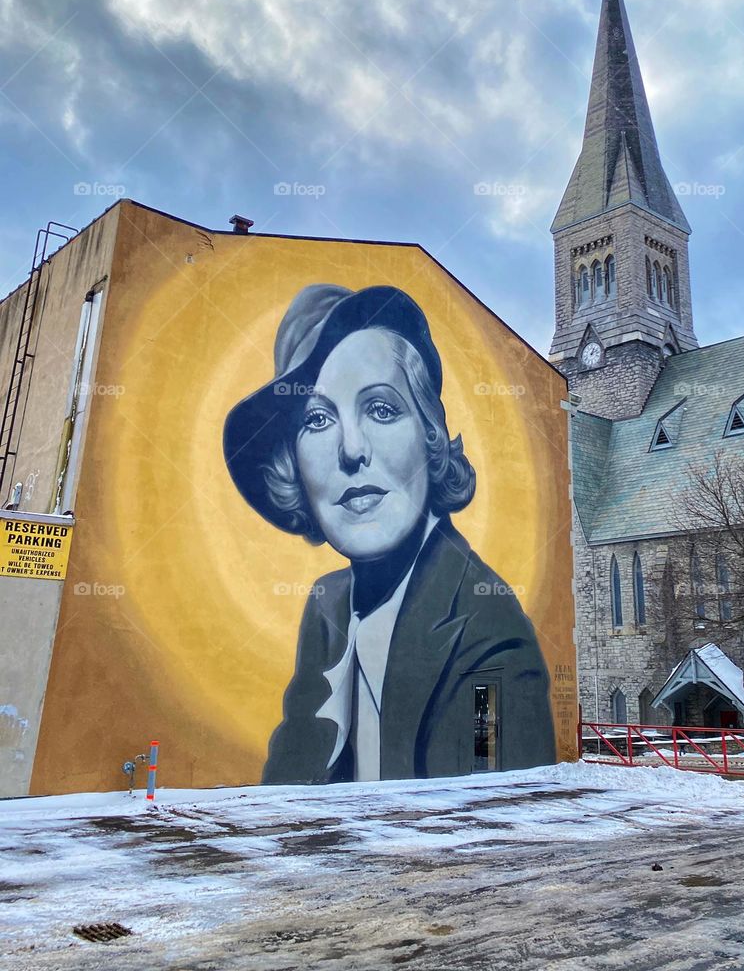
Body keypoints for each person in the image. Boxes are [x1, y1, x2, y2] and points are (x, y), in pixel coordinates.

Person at [223, 283, 556, 784]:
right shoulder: (328, 605)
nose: (351, 450)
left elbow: (483, 825)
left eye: (381, 410)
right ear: (292, 463)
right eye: (317, 418)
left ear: (430, 437)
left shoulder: (486, 628)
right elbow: (288, 796)